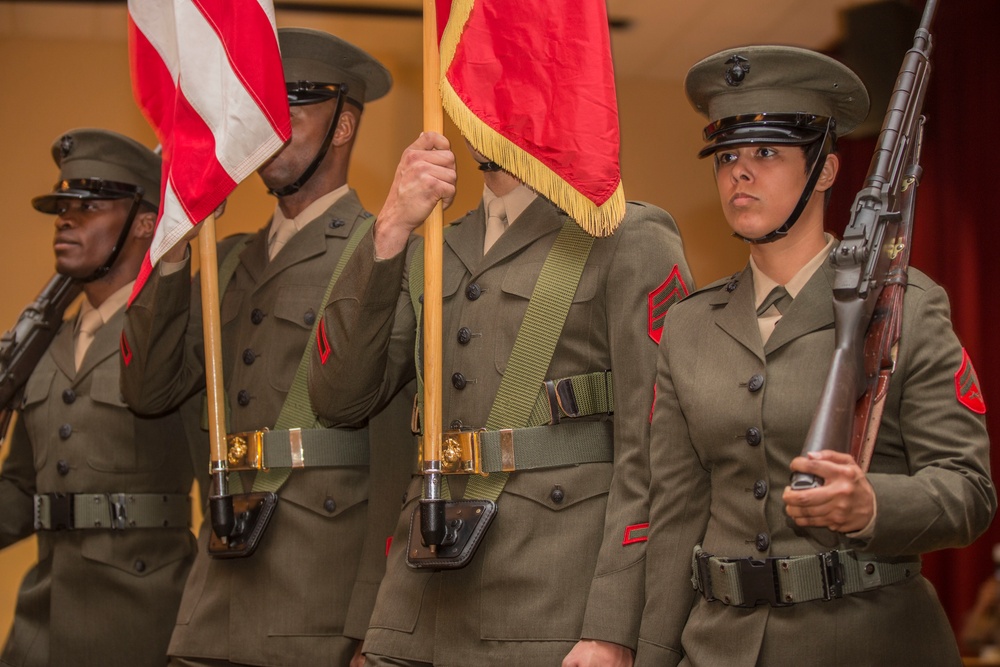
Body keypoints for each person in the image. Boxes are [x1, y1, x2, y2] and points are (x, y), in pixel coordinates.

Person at [635, 45, 996, 666]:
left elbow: (969, 492)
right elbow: (674, 515)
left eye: (766, 153)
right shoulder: (690, 324)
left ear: (826, 172)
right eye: (726, 157)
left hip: (866, 639)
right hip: (717, 645)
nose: (738, 173)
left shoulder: (904, 306)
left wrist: (872, 505)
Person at [308, 130, 693, 666]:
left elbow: (656, 454)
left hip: (549, 612)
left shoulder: (624, 235)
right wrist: (392, 225)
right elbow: (338, 400)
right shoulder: (434, 246)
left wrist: (614, 626)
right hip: (414, 607)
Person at [119, 28, 414, 667]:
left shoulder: (386, 251)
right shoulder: (224, 263)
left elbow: (395, 451)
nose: (269, 130)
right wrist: (170, 257)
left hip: (319, 599)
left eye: (292, 109)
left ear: (342, 125)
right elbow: (149, 390)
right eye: (259, 114)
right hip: (214, 595)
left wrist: (373, 616)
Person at [0, 128, 201, 667]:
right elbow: (22, 486)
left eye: (88, 206)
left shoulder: (179, 337)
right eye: (63, 206)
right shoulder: (45, 346)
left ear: (142, 223)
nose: (67, 218)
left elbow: (219, 486)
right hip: (41, 625)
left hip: (146, 623)